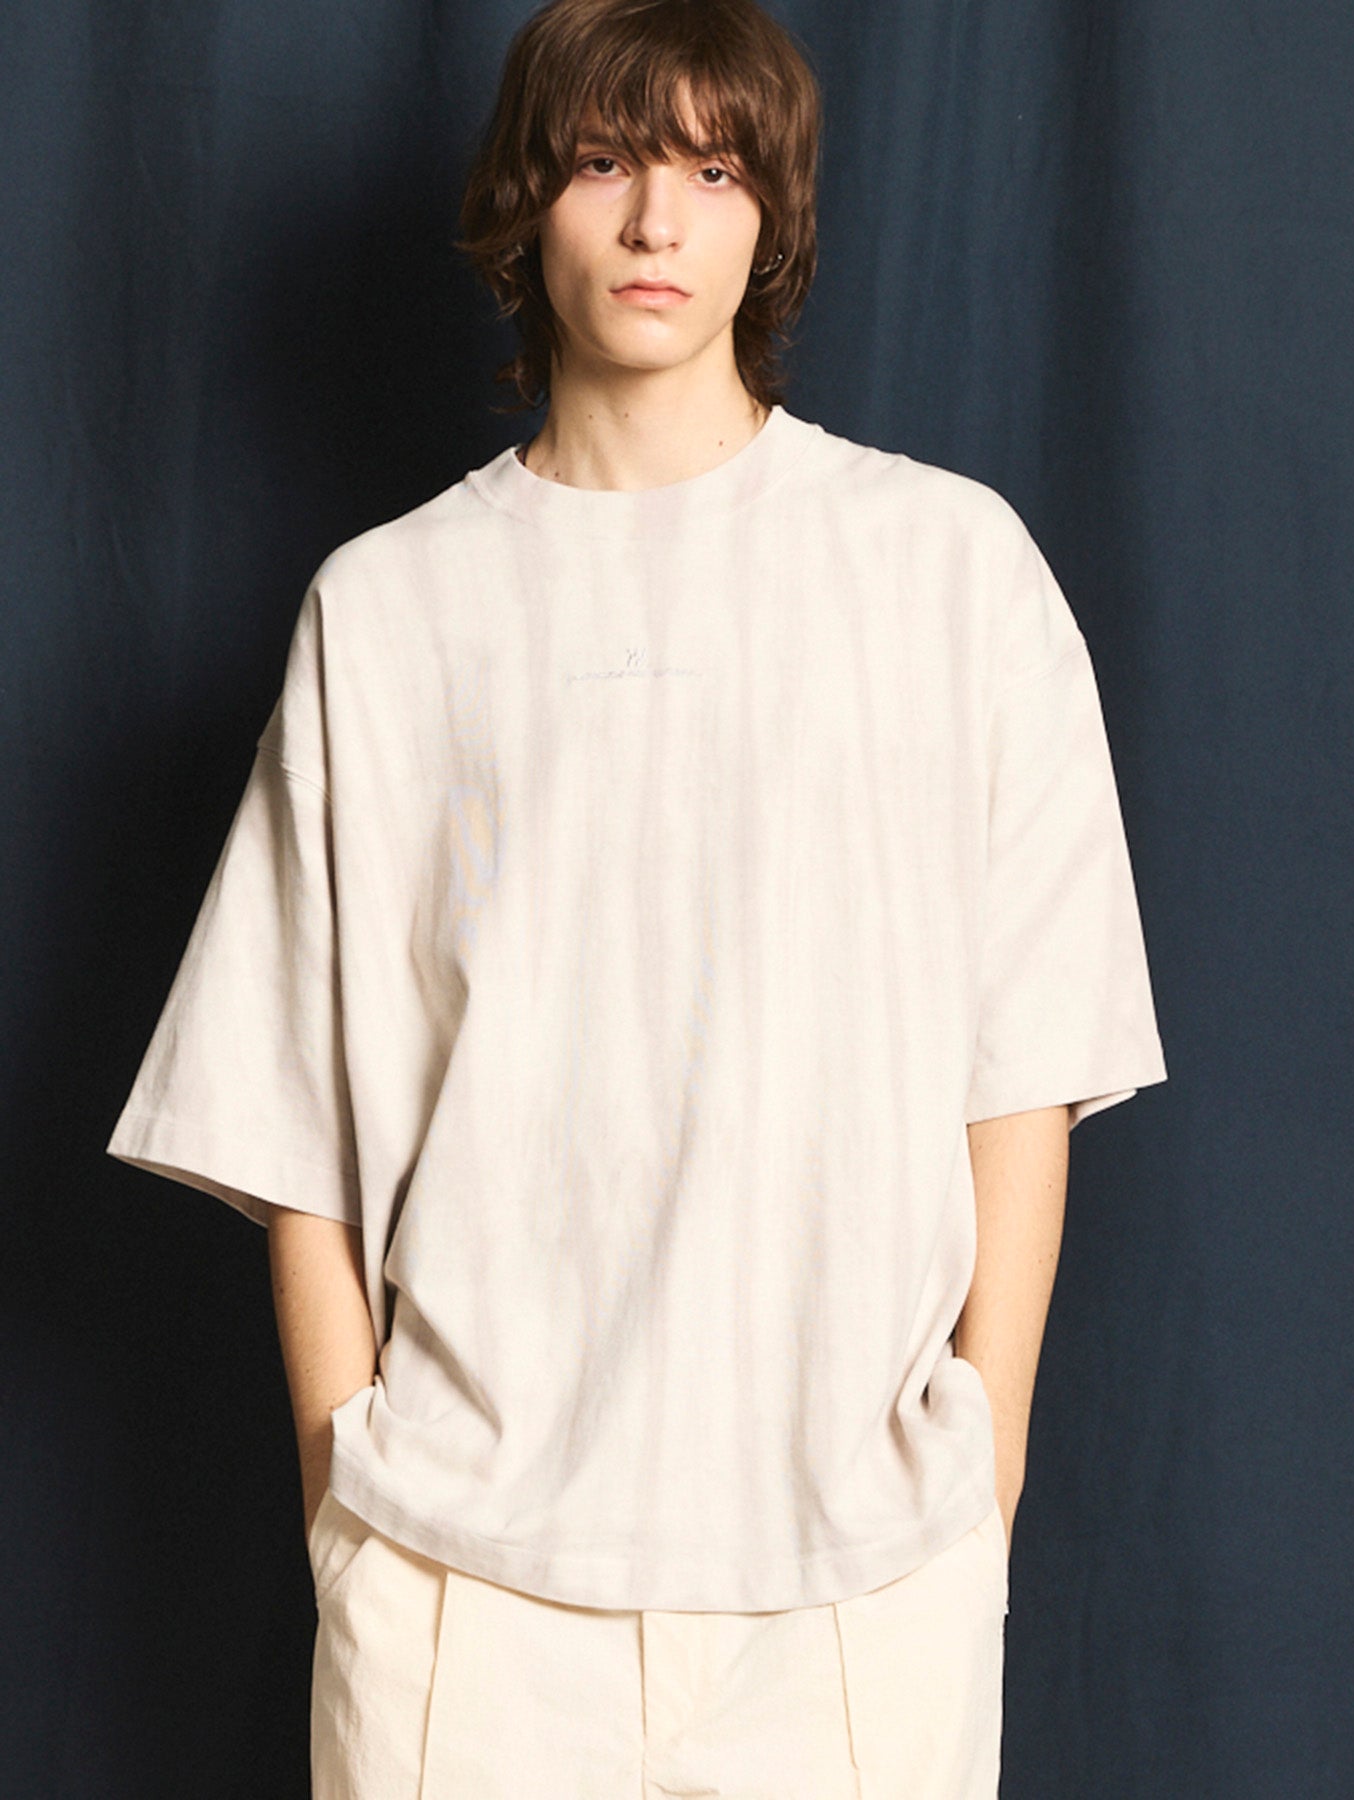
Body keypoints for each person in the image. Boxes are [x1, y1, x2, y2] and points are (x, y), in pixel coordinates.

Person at [105, 0, 1167, 1792]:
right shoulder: (390, 609)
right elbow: (294, 1119)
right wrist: (351, 1509)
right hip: (464, 1595)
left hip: (860, 1592)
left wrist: (977, 1487)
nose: (660, 220)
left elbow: (1029, 1069)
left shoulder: (950, 572)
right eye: (605, 161)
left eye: (715, 169)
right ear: (531, 200)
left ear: (773, 216)